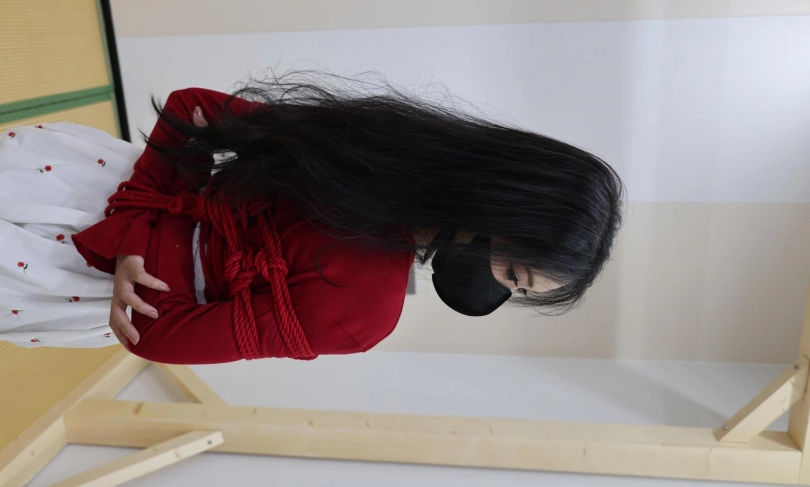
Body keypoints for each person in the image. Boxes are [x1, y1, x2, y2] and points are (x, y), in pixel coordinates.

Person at [0, 70, 624, 364]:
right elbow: (194, 110)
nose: (496, 292)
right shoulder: (375, 156)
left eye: (516, 291)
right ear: (504, 208)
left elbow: (161, 337)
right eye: (514, 275)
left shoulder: (365, 308)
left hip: (101, 255)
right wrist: (137, 232)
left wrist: (141, 229)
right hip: (96, 234)